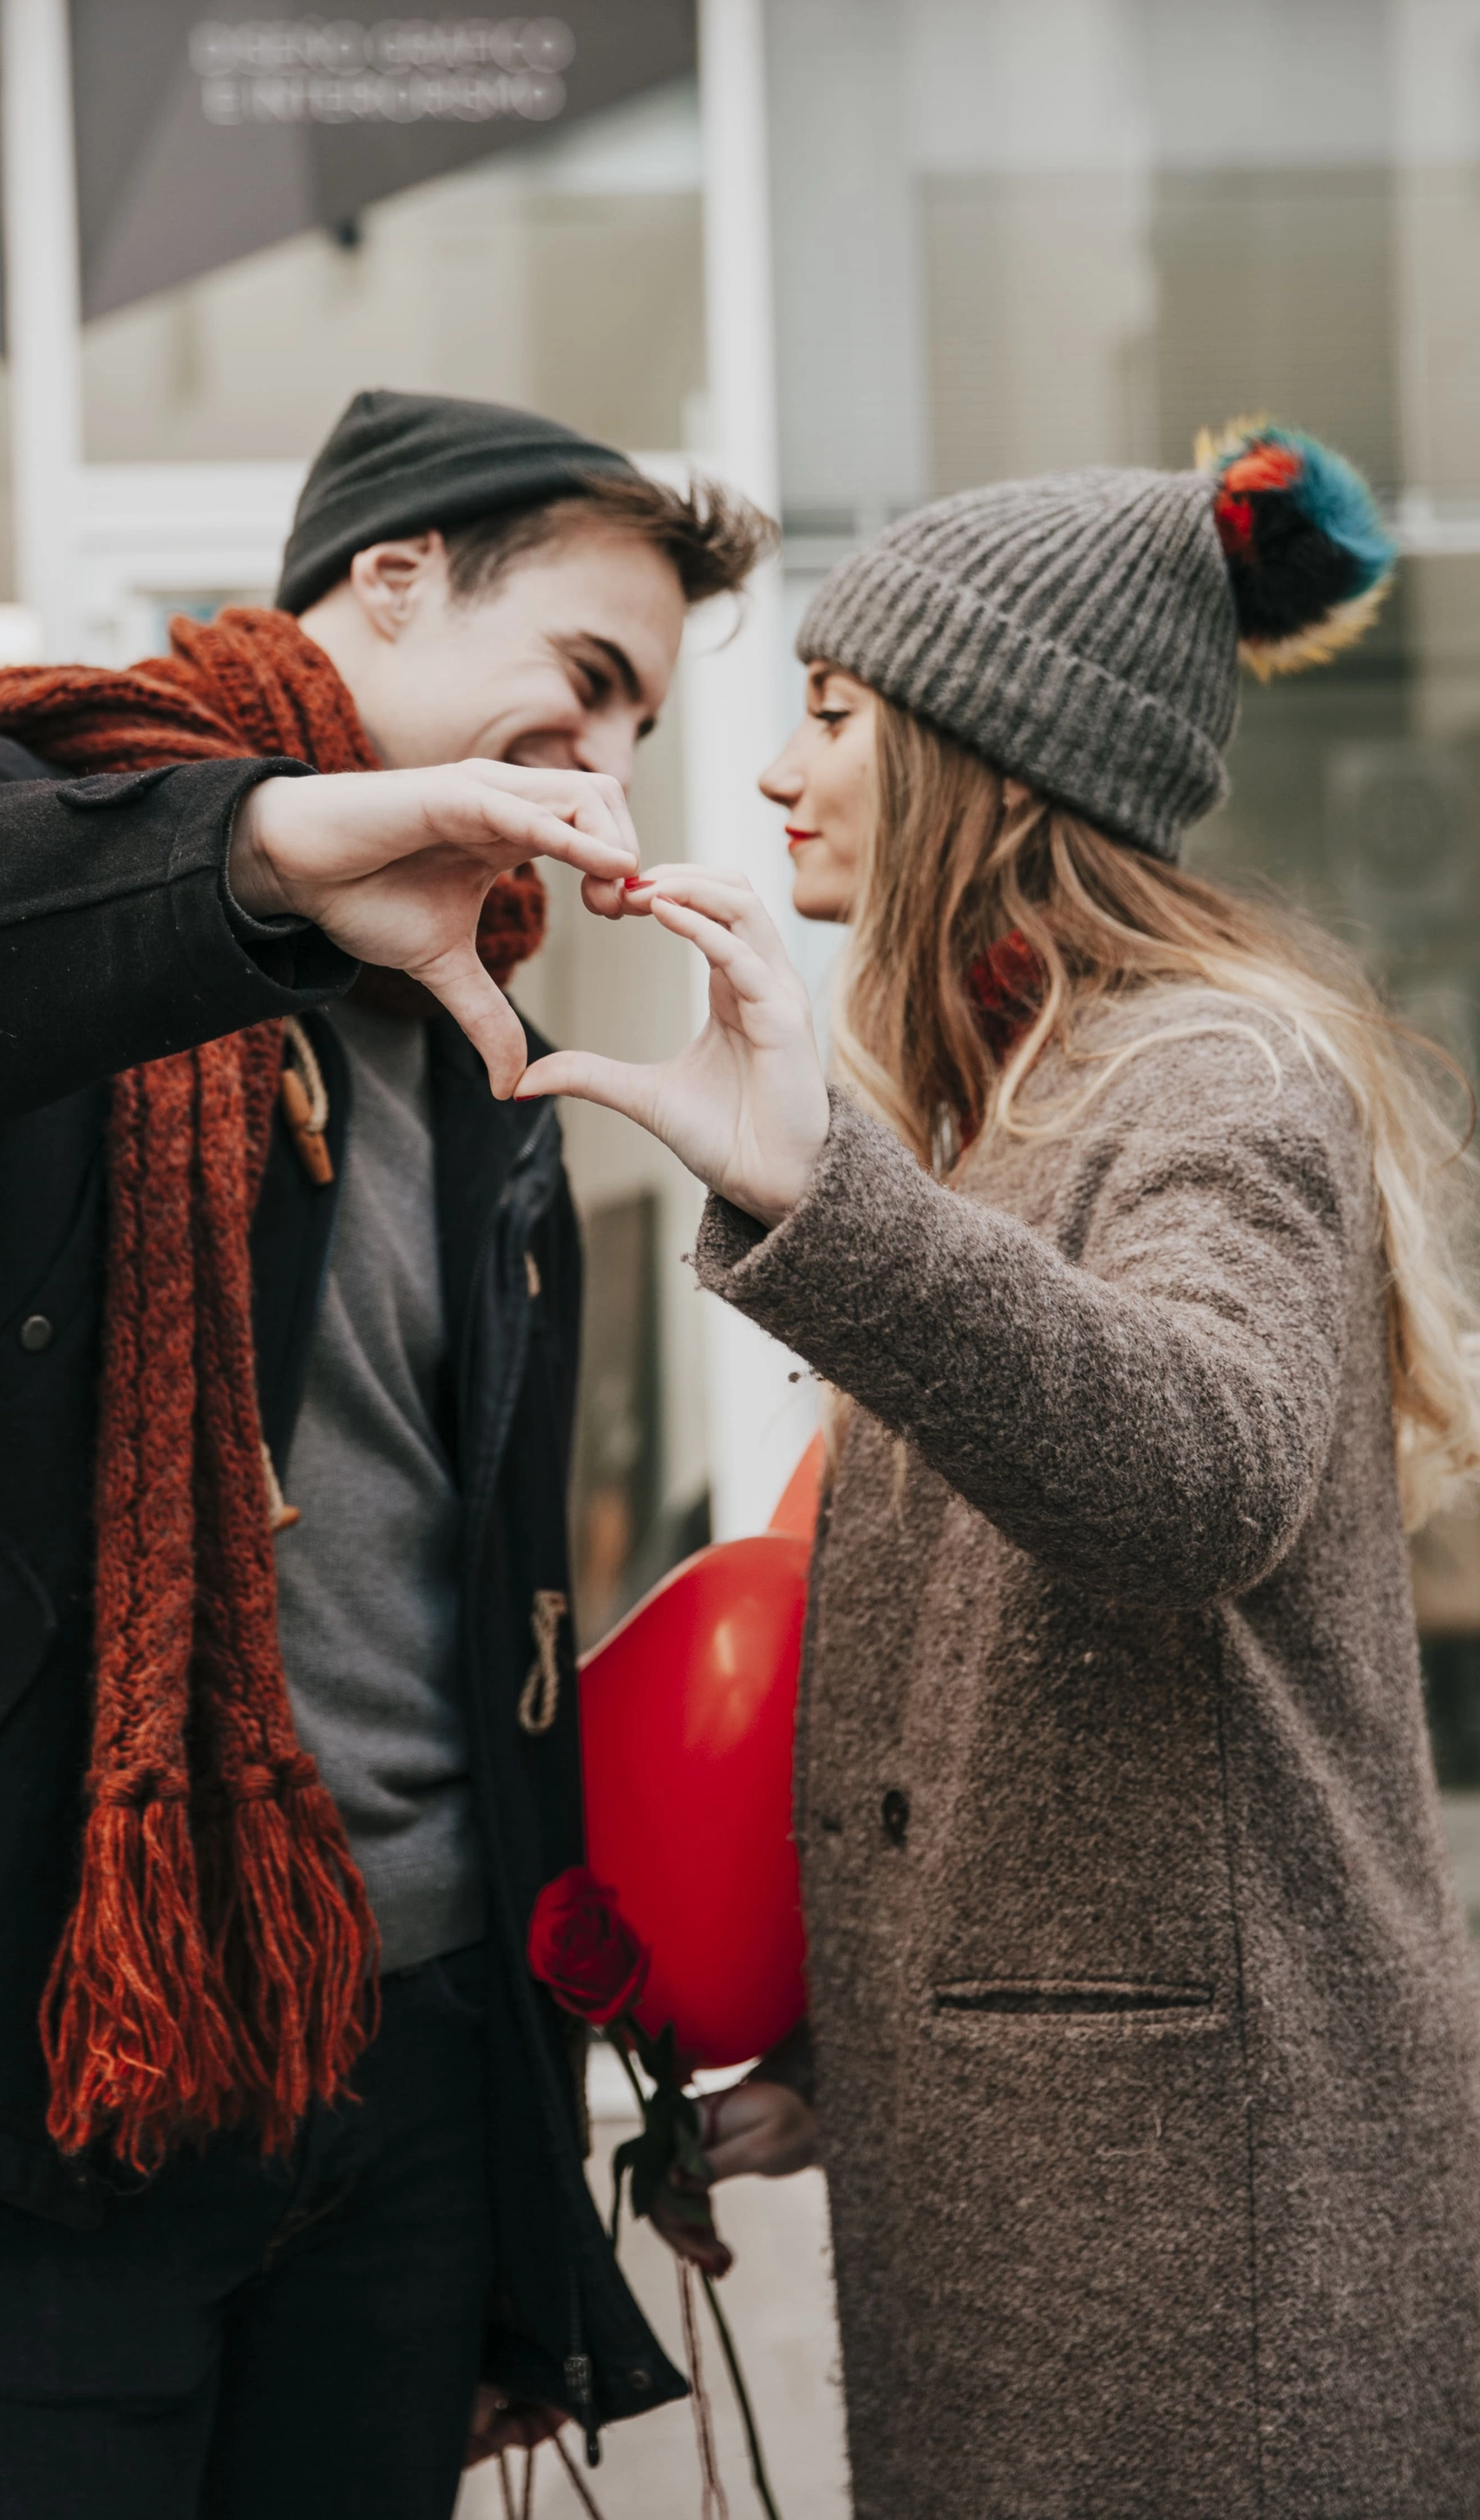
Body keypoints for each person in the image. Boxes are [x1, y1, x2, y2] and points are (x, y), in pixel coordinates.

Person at [0, 388, 771, 2520]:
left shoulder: (484, 1028)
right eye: (586, 676)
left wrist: (511, 2198)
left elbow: (477, 1607)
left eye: (635, 721)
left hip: (405, 2052)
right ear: (393, 573)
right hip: (64, 2020)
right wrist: (267, 852)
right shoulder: (49, 814)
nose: (603, 754)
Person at [523, 425, 1480, 2517]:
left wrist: (823, 1194)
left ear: (995, 756)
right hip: (1083, 2196)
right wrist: (842, 2058)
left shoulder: (1209, 1076)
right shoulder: (1029, 1099)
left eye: (832, 714)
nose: (774, 771)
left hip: (1202, 2250)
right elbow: (1009, 1713)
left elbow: (1196, 1480)